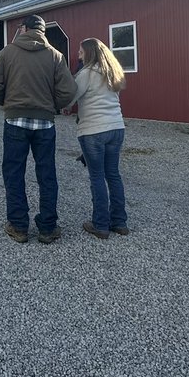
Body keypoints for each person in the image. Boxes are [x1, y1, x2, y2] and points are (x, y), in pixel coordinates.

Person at [0, 14, 77, 245]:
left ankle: (18, 226)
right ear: (43, 31)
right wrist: (51, 107)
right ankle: (47, 228)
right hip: (45, 124)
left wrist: (7, 104)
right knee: (47, 174)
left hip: (15, 121)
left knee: (14, 173)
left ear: (24, 28)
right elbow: (68, 91)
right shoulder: (55, 56)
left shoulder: (8, 52)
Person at [64, 38, 128, 239]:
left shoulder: (86, 74)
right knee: (113, 175)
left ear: (89, 54)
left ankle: (100, 224)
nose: (79, 55)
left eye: (81, 52)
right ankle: (119, 222)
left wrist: (64, 106)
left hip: (93, 130)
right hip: (117, 127)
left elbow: (70, 98)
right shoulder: (112, 72)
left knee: (97, 176)